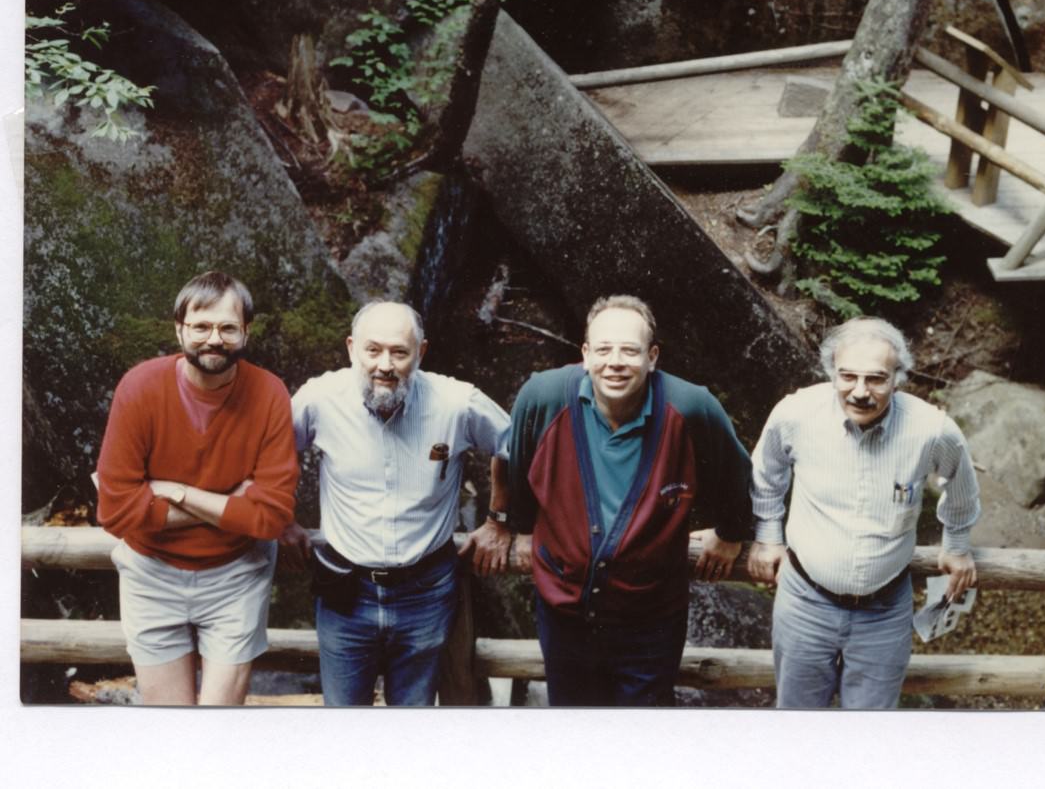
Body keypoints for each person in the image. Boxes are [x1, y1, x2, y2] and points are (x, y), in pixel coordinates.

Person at [508, 294, 752, 706]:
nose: (615, 362)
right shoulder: (543, 398)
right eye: (603, 349)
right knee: (575, 730)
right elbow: (517, 467)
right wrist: (512, 527)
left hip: (651, 619)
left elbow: (737, 474)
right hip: (564, 614)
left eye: (629, 350)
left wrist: (731, 533)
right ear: (585, 354)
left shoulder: (691, 408)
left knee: (644, 735)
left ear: (652, 357)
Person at [280, 300, 511, 706]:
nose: (384, 365)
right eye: (373, 350)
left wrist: (498, 520)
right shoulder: (318, 399)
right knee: (344, 720)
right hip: (345, 593)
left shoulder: (457, 404)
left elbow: (513, 448)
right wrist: (281, 519)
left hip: (426, 593)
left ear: (420, 353)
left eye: (399, 352)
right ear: (352, 349)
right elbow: (274, 451)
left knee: (413, 722)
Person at [748, 316, 981, 709]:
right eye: (847, 377)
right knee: (796, 723)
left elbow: (962, 487)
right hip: (804, 603)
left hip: (885, 612)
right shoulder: (795, 415)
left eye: (876, 379)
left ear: (898, 377)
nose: (859, 391)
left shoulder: (932, 430)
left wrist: (956, 546)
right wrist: (768, 535)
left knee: (871, 732)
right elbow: (766, 475)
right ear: (831, 372)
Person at [96, 271, 299, 705]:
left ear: (245, 330)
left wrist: (176, 492)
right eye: (201, 326)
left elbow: (271, 517)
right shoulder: (139, 388)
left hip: (236, 574)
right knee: (171, 728)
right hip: (151, 573)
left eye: (227, 327)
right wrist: (231, 503)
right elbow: (115, 513)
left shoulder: (269, 394)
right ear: (179, 329)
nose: (214, 339)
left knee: (217, 728)